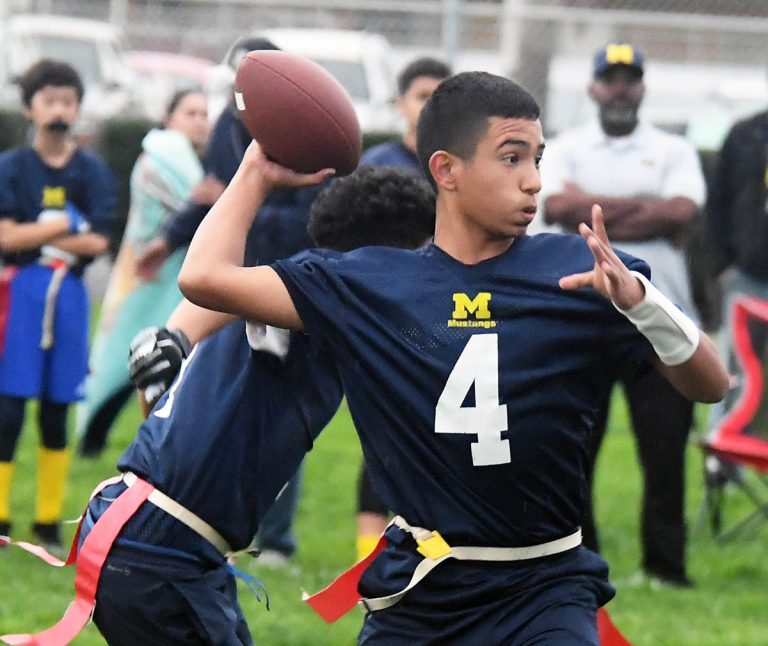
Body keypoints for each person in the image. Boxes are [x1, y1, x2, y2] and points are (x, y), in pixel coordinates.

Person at [178, 71, 727, 643]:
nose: (534, 182)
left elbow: (710, 384)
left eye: (538, 159)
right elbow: (204, 278)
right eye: (512, 159)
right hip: (420, 591)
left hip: (546, 587)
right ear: (446, 170)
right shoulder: (370, 281)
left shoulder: (581, 270)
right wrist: (256, 171)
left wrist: (643, 305)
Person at [0, 166, 436, 645]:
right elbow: (208, 279)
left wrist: (171, 340)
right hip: (160, 550)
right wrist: (256, 170)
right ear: (398, 254)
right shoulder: (328, 291)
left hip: (160, 538)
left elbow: (224, 292)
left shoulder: (317, 293)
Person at [539, 44, 707, 587]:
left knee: (664, 446)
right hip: (583, 318)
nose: (618, 89)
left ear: (642, 87)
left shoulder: (673, 148)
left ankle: (666, 567)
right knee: (573, 447)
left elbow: (682, 210)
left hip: (659, 317)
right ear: (592, 88)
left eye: (627, 79)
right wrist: (644, 210)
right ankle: (578, 563)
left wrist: (594, 221)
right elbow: (556, 207)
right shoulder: (564, 147)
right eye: (608, 79)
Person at [0, 59, 117, 551]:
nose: (59, 111)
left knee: (56, 408)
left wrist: (40, 233)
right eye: (49, 101)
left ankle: (48, 521)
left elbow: (99, 242)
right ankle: (2, 518)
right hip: (20, 294)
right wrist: (63, 225)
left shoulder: (92, 171)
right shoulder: (11, 168)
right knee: (8, 410)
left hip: (67, 296)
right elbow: (6, 238)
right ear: (31, 107)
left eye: (67, 101)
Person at [75, 88, 210, 455]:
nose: (200, 121)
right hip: (150, 276)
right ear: (169, 118)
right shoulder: (163, 155)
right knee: (131, 355)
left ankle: (121, 439)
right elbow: (194, 209)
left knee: (149, 355)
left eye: (203, 114)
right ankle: (94, 437)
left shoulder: (188, 160)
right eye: (190, 113)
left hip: (170, 276)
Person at [353, 55, 451, 562]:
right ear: (400, 104)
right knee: (385, 434)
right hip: (387, 315)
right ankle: (369, 562)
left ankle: (427, 552)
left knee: (437, 435)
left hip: (447, 316)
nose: (429, 107)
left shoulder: (462, 165)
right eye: (421, 96)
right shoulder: (379, 162)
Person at [705, 104, 768, 452]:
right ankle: (723, 457)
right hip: (748, 277)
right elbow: (716, 202)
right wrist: (721, 266)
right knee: (734, 370)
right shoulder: (746, 134)